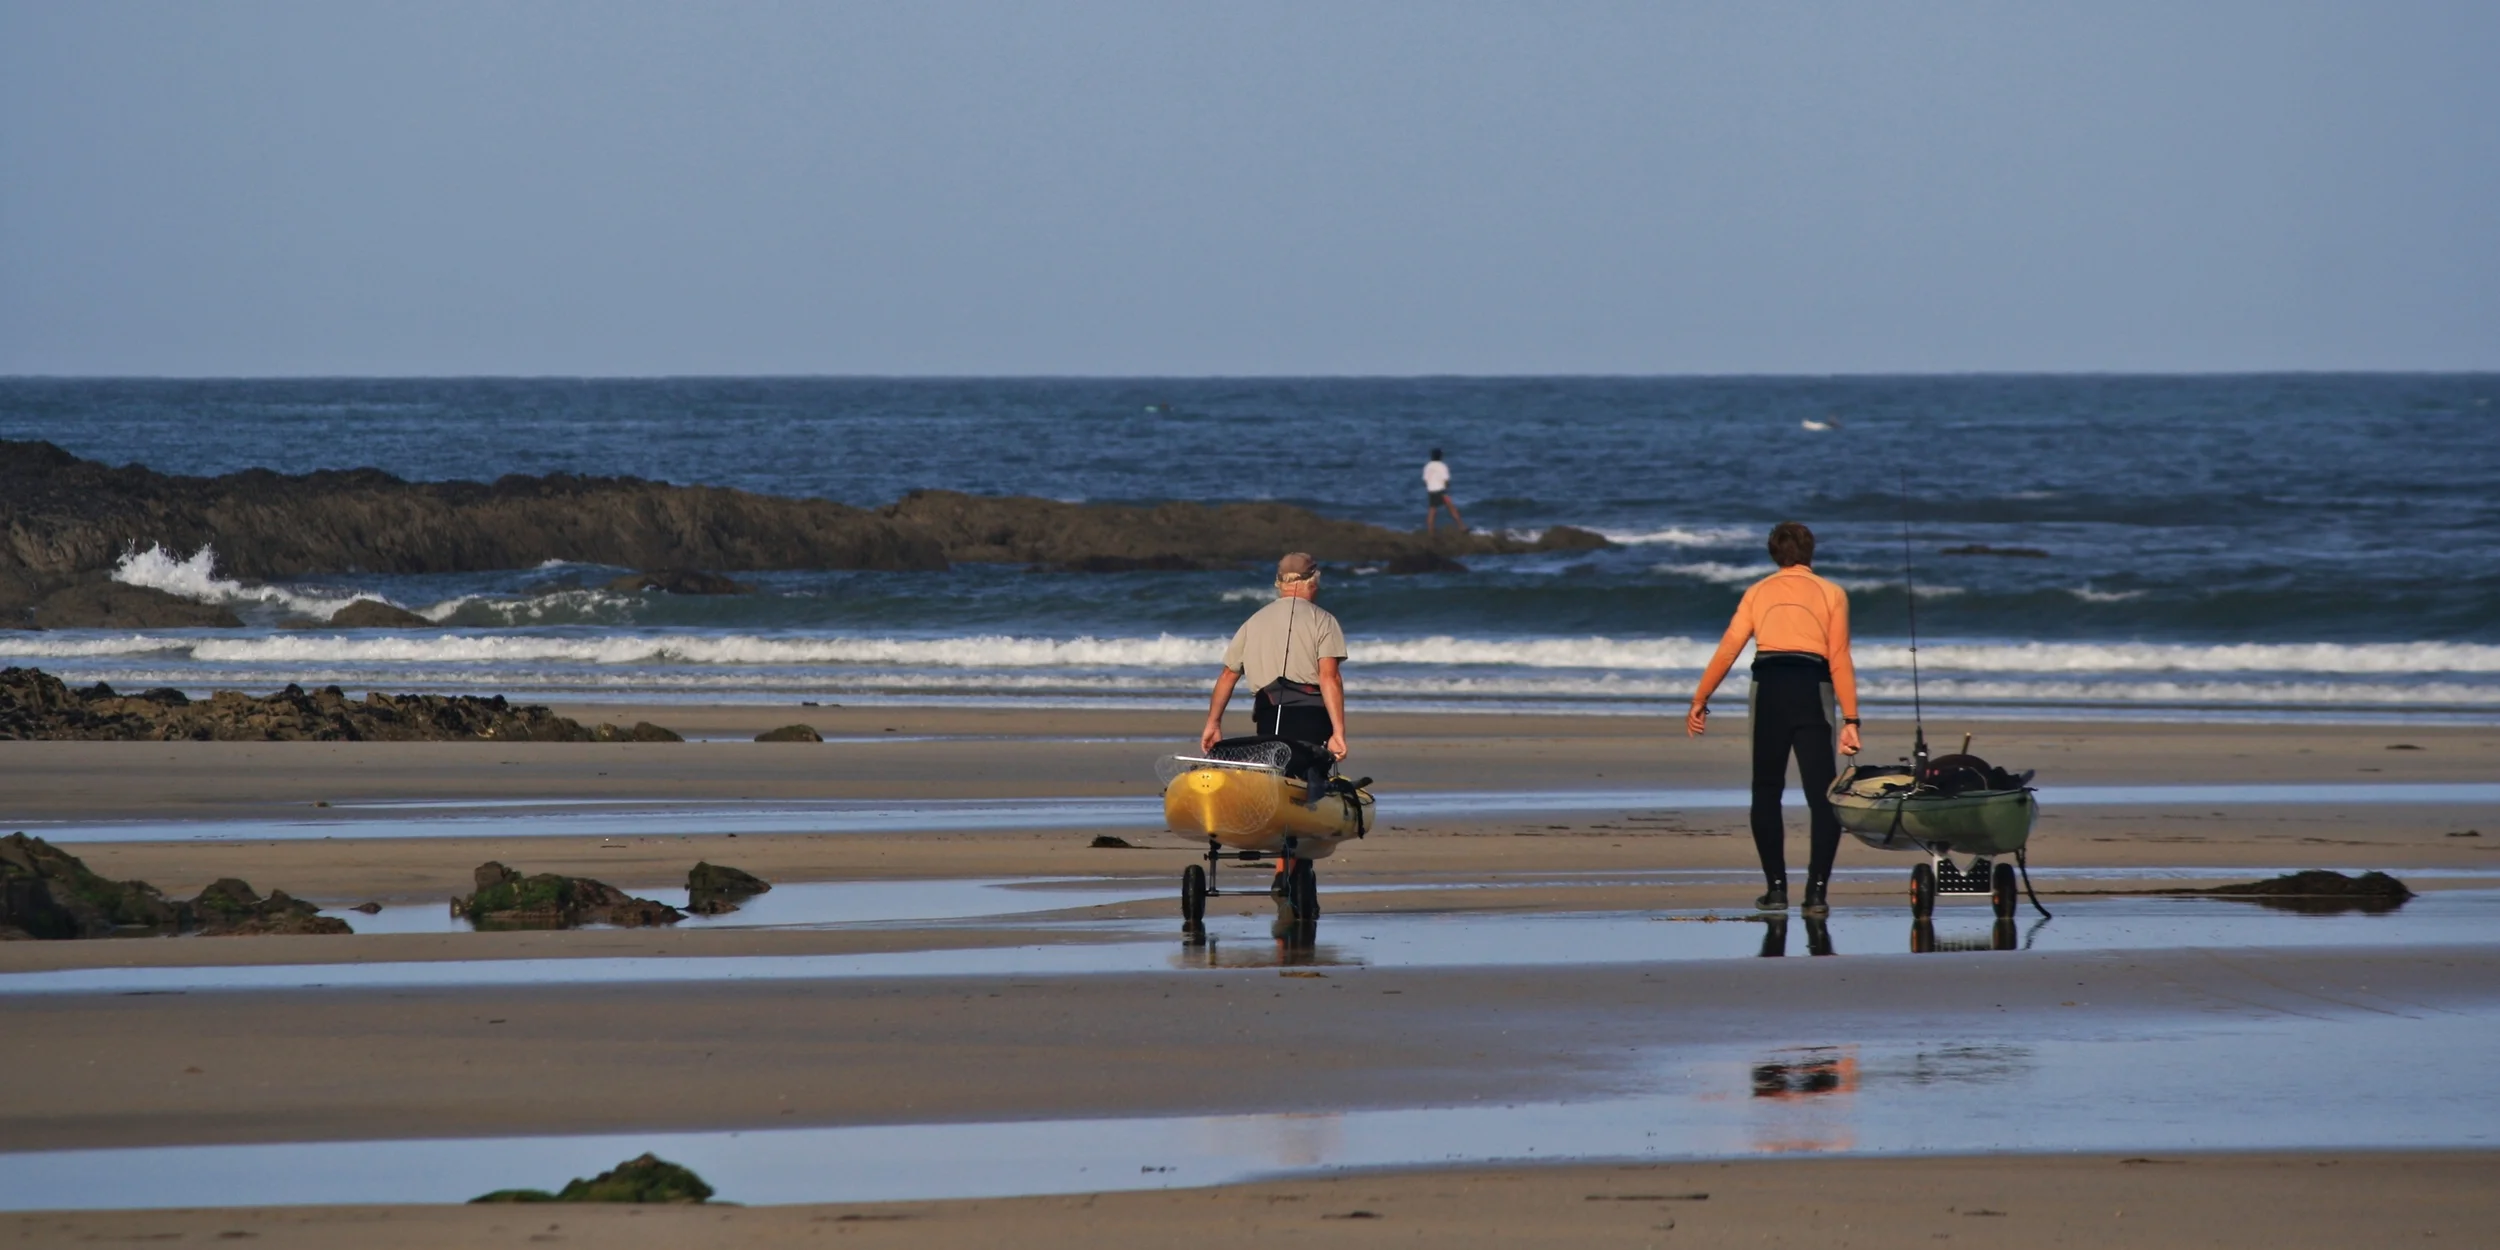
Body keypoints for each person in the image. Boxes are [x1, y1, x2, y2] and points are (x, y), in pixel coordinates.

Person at [1687, 521, 1861, 916]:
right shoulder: (1832, 593)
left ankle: (1776, 890)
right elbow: (1839, 658)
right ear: (1810, 552)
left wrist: (1701, 698)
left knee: (1766, 790)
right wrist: (1851, 720)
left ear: (1773, 554)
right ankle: (1816, 894)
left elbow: (1729, 648)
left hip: (1768, 690)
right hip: (1812, 689)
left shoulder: (1757, 592)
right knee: (1824, 797)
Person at [1201, 553, 1350, 805]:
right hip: (1311, 715)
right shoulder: (1324, 620)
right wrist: (1338, 732)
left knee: (1275, 768)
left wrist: (1213, 723)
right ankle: (1306, 813)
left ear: (1279, 583)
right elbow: (1329, 677)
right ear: (1313, 581)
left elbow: (1228, 675)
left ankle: (1272, 812)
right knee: (1307, 772)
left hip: (1267, 712)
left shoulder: (1253, 621)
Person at [1421, 449, 1464, 533]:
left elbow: (1425, 480)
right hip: (1441, 491)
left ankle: (1430, 531)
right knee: (1452, 508)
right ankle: (1461, 527)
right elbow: (1446, 480)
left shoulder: (1427, 466)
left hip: (1431, 491)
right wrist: (1446, 488)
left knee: (1432, 511)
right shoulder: (1442, 466)